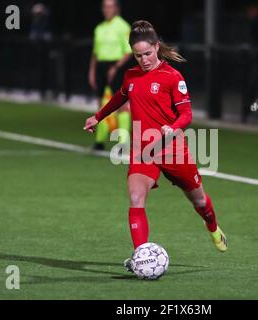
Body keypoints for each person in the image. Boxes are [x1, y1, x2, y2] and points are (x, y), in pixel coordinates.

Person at [84, 20, 227, 273]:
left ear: (156, 47)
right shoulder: (130, 76)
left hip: (172, 149)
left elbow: (187, 114)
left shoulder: (172, 77)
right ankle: (141, 257)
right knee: (136, 198)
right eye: (138, 55)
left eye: (148, 53)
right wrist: (98, 116)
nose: (144, 60)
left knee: (199, 201)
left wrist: (174, 128)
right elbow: (121, 96)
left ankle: (213, 228)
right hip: (143, 150)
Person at [89, 0, 132, 151]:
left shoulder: (123, 26)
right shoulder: (99, 28)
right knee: (101, 103)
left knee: (122, 105)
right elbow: (95, 53)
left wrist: (115, 67)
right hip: (101, 66)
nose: (108, 9)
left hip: (117, 66)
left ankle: (123, 142)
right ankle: (100, 141)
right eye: (105, 6)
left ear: (116, 8)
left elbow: (128, 51)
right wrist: (92, 71)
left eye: (111, 6)